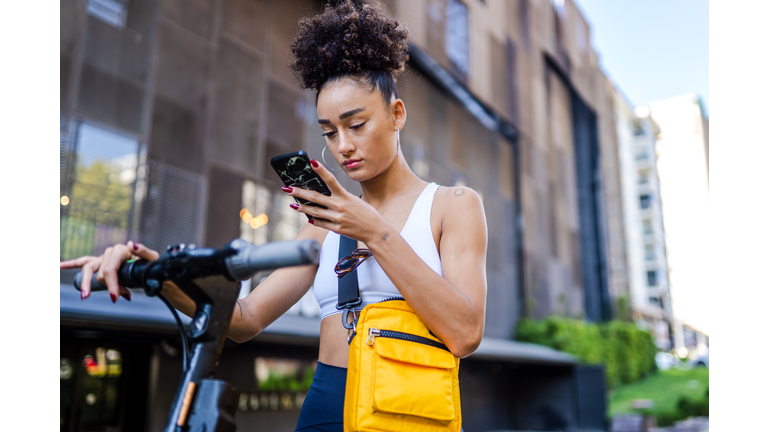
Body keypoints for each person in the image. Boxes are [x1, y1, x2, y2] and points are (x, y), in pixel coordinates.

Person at [60, 1, 488, 430]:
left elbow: (465, 333)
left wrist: (374, 231)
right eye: (328, 131)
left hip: (405, 405)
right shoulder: (325, 226)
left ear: (397, 114)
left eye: (356, 125)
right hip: (324, 404)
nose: (342, 146)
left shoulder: (452, 204)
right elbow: (244, 320)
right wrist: (154, 273)